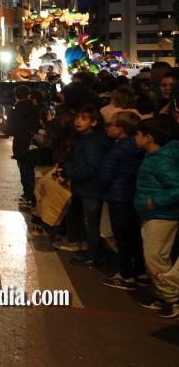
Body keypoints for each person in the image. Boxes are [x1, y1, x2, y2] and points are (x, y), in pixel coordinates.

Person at [133, 117, 179, 318]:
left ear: (148, 138)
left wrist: (155, 201)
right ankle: (164, 294)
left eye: (137, 134)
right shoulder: (155, 156)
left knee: (155, 258)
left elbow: (177, 186)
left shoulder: (160, 160)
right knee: (156, 256)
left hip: (162, 215)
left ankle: (172, 298)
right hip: (154, 214)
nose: (135, 138)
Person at [95, 111, 146, 291]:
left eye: (111, 124)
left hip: (117, 196)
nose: (107, 128)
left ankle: (126, 275)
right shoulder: (140, 147)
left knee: (122, 237)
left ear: (120, 130)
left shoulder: (117, 149)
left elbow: (106, 175)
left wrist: (100, 188)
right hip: (134, 195)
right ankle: (140, 272)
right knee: (135, 235)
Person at [61, 105, 112, 266]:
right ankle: (92, 252)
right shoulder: (83, 139)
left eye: (83, 119)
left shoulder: (92, 142)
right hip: (84, 187)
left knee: (92, 223)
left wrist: (69, 170)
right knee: (87, 221)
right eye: (77, 118)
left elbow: (92, 168)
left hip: (91, 188)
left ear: (94, 122)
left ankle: (94, 256)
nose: (78, 121)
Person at [6, 85, 40, 208]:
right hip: (33, 142)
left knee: (24, 170)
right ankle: (35, 195)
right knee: (34, 170)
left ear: (16, 96)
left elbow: (10, 130)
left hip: (20, 143)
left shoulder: (14, 111)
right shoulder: (35, 109)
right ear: (29, 95)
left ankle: (28, 196)